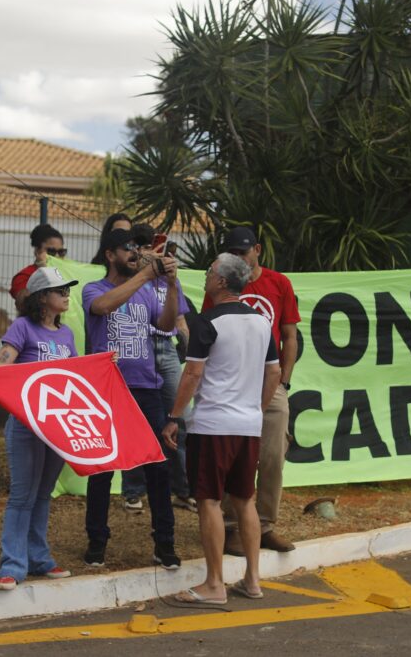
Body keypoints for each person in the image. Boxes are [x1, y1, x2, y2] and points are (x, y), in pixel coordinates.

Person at [163, 253, 280, 603]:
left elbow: (193, 373)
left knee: (209, 501)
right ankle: (252, 580)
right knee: (245, 500)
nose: (206, 275)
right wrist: (256, 409)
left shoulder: (207, 321)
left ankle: (214, 584)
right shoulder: (261, 321)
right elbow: (274, 372)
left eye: (210, 271)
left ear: (222, 282)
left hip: (213, 425)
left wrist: (174, 416)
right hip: (248, 425)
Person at [0, 267, 78, 590]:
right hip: (26, 424)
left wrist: (105, 365)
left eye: (68, 290)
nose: (66, 295)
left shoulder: (67, 335)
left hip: (56, 426)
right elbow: (1, 364)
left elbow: (76, 374)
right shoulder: (22, 327)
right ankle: (12, 566)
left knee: (42, 494)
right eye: (60, 290)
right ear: (42, 297)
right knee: (22, 496)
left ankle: (39, 559)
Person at [81, 227, 181, 569]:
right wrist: (146, 275)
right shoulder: (94, 288)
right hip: (108, 388)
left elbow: (166, 325)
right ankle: (96, 542)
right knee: (103, 468)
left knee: (158, 467)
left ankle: (164, 543)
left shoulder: (147, 290)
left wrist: (171, 284)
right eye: (128, 248)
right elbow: (102, 306)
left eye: (138, 248)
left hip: (147, 388)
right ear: (110, 255)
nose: (135, 253)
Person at [202, 226, 298, 554]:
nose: (238, 259)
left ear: (257, 249)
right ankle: (231, 527)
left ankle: (265, 525)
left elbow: (290, 336)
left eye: (243, 252)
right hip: (231, 384)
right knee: (231, 456)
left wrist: (283, 381)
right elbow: (208, 331)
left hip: (270, 382)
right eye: (231, 253)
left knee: (272, 455)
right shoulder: (221, 284)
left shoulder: (279, 283)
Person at [120, 223, 192, 513]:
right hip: (142, 347)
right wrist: (146, 268)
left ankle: (182, 489)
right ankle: (133, 490)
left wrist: (186, 341)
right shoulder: (133, 277)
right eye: (143, 246)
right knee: (136, 421)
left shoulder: (169, 278)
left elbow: (180, 319)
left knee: (179, 418)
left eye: (155, 245)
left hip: (167, 349)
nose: (151, 251)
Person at [10, 224, 66, 312]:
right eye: (51, 251)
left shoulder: (68, 274)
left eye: (61, 252)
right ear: (37, 251)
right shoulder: (24, 276)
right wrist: (45, 272)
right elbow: (23, 303)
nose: (57, 256)